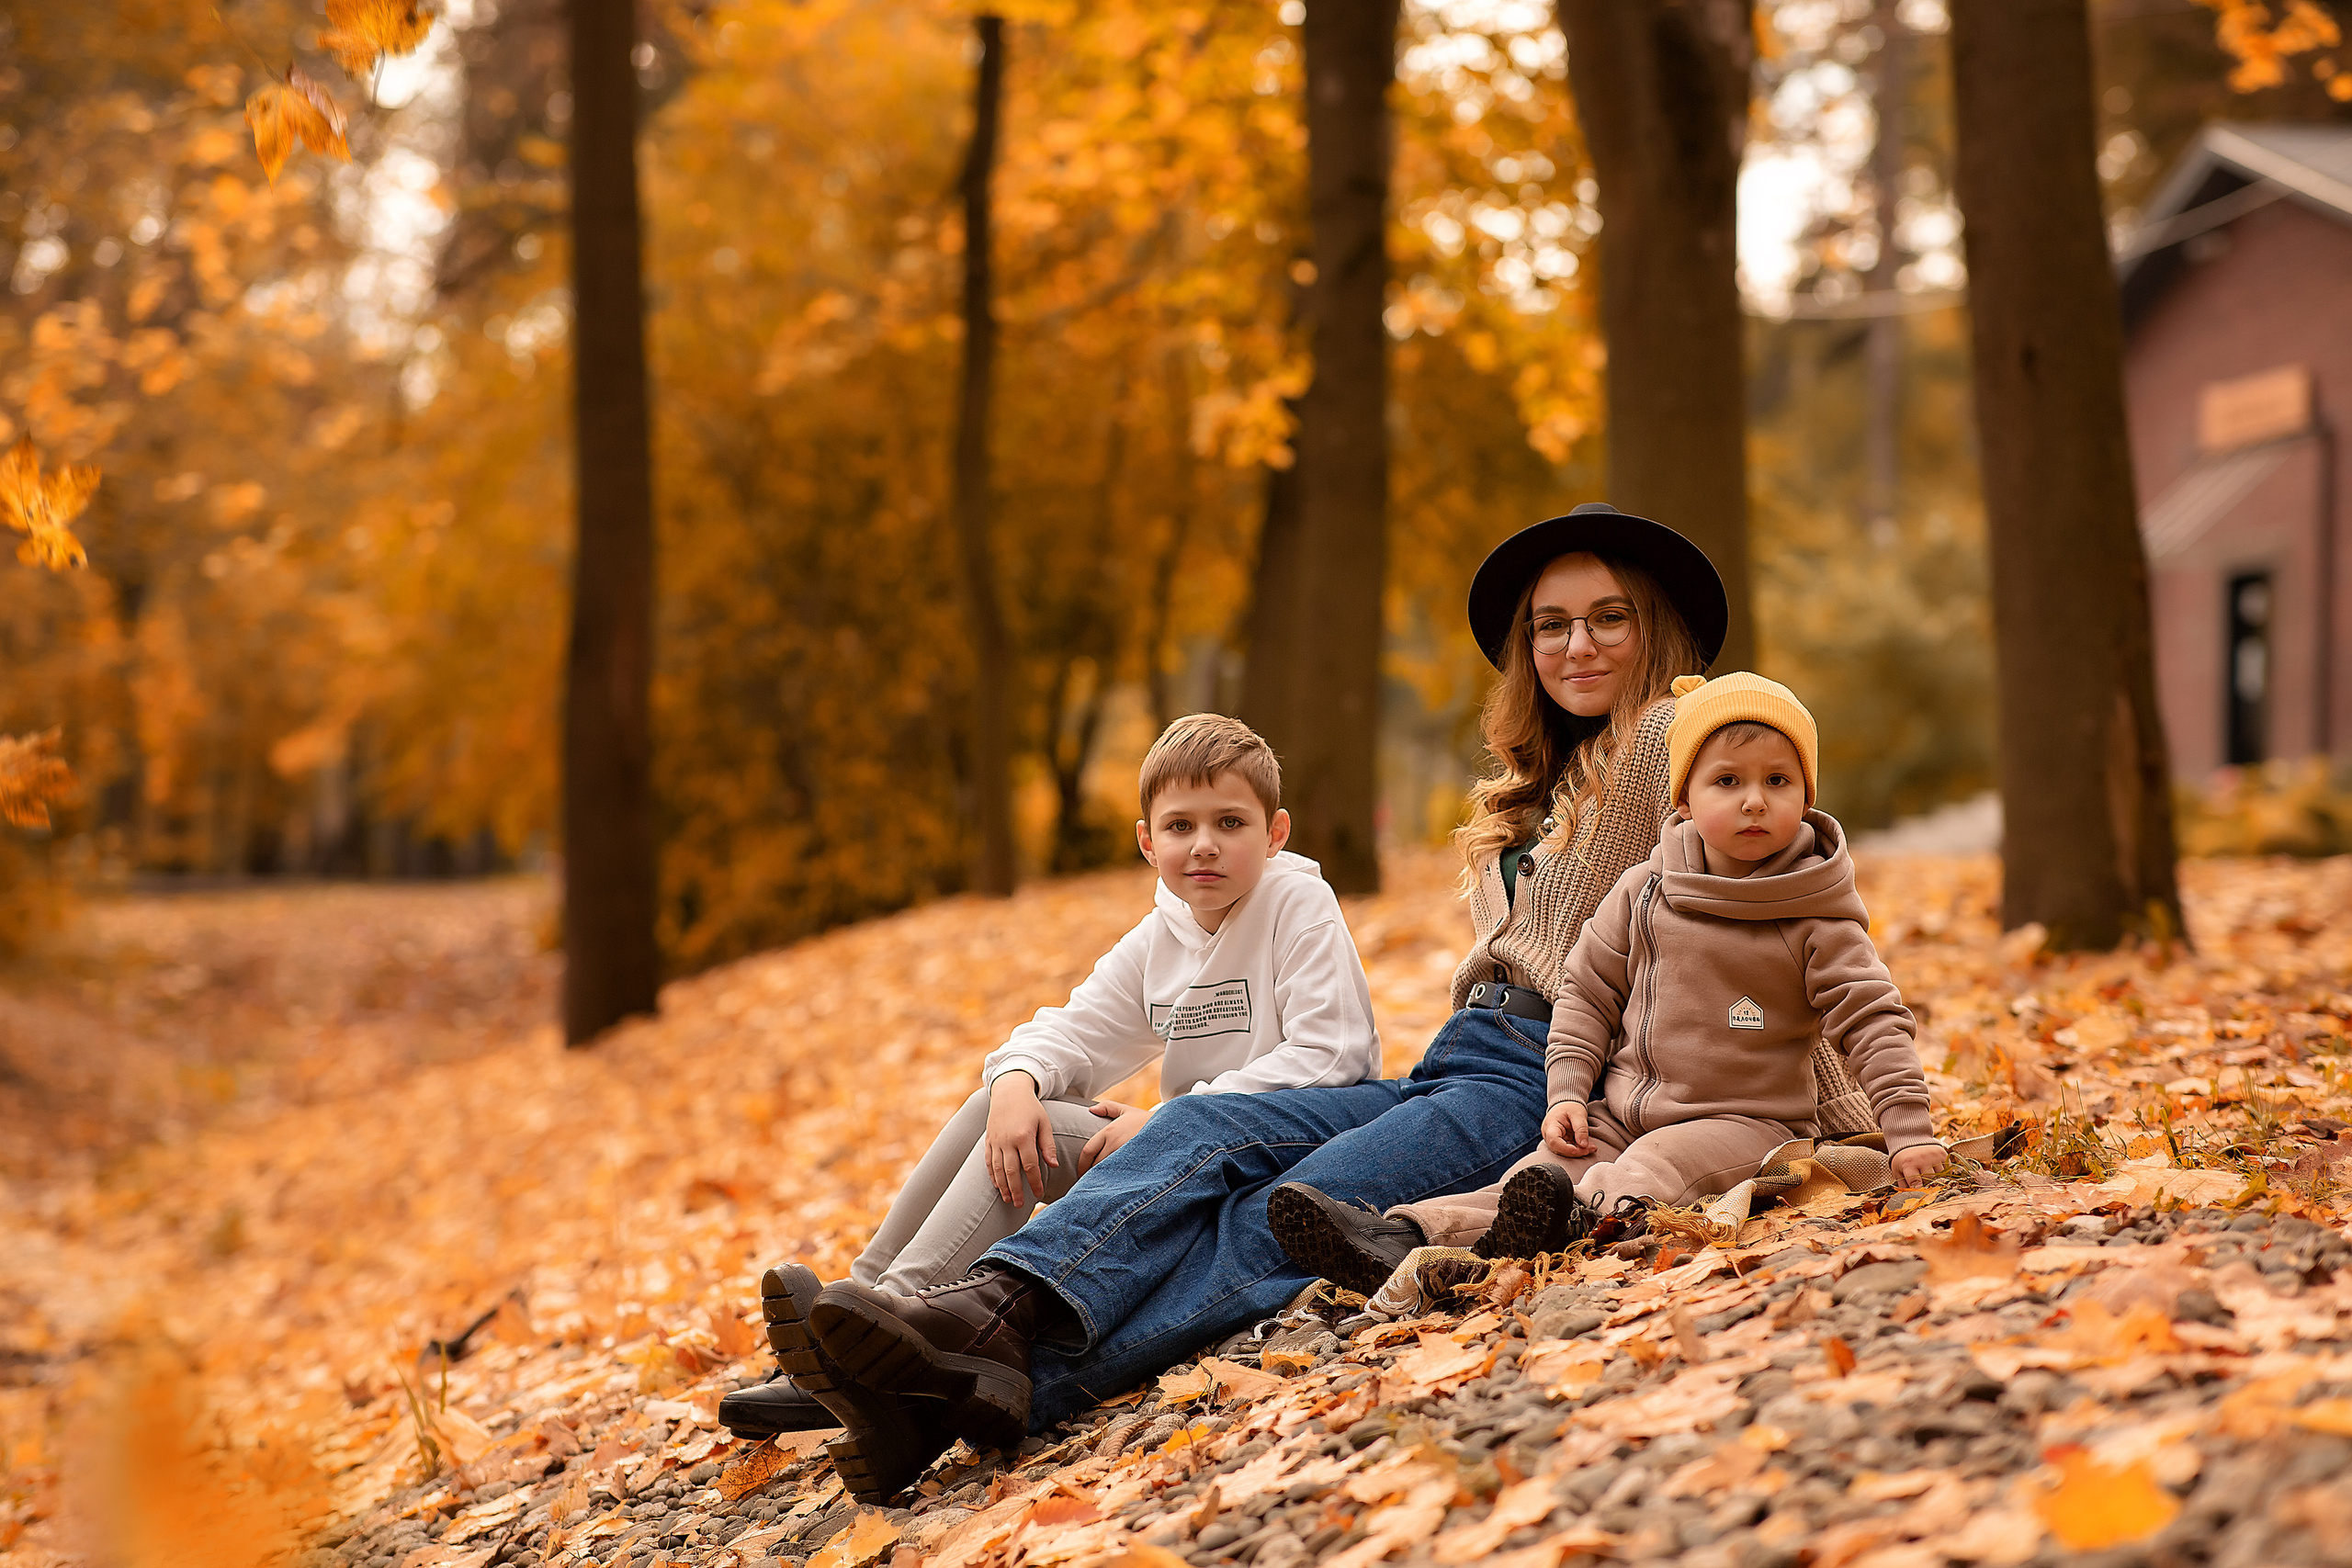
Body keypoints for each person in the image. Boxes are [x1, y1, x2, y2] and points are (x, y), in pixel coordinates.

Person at [794, 503, 1728, 1483]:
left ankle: (976, 1358)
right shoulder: (1548, 777)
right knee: (1197, 1133)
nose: (1574, 644)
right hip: (1454, 1062)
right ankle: (955, 1355)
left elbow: (1772, 859)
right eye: (1550, 623)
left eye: (1607, 618)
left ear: (1654, 629)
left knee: (1276, 1212)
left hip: (1538, 1087)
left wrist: (1837, 1101)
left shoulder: (1672, 729)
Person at [723, 712, 1382, 1498]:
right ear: (1148, 842)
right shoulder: (1162, 934)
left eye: (1229, 822)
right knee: (999, 1112)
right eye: (1181, 825)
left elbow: (1331, 1053)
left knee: (1035, 1127)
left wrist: (1177, 1117)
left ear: (1273, 833)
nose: (1203, 843)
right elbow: (1067, 1030)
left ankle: (877, 1327)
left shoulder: (1296, 906)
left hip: (1272, 1156)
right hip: (1181, 1153)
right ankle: (860, 1307)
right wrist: (1016, 1084)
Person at [1278, 672, 1950, 1274]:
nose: (1754, 800)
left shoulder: (1814, 916)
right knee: (1536, 1172)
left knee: (1651, 1169)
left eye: (1778, 780)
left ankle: (1575, 1224)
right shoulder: (1645, 889)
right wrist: (1567, 1090)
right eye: (1728, 780)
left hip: (1746, 1123)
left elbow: (1873, 1021)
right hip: (1624, 1109)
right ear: (1683, 797)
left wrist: (1909, 1131)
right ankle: (1405, 1238)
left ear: (1806, 796)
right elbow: (1585, 990)